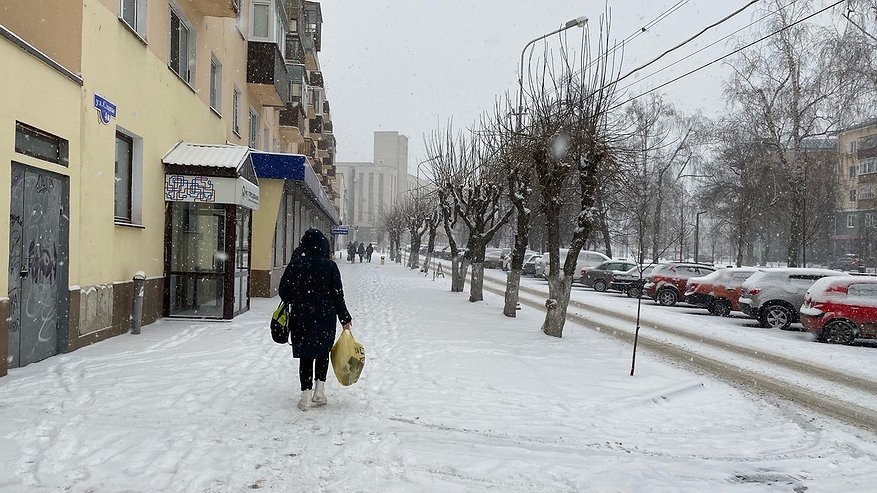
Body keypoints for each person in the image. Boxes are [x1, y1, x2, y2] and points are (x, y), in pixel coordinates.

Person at [279, 229, 353, 411]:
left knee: (305, 356)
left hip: (301, 317)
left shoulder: (296, 265)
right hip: (325, 318)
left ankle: (305, 397)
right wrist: (345, 318)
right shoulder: (330, 266)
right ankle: (319, 392)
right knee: (322, 354)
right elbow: (338, 295)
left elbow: (284, 293)